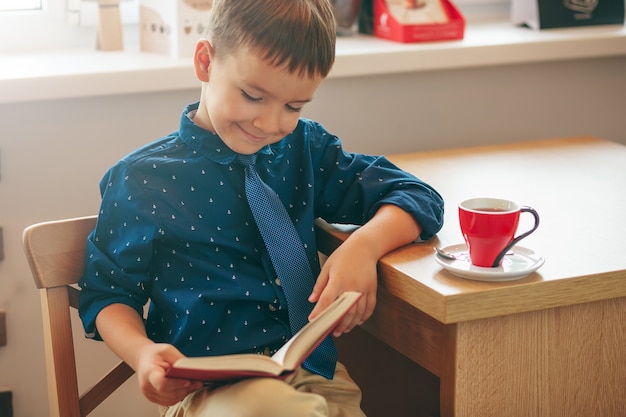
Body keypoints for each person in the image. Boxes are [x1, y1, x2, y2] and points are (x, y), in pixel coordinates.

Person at [78, 0, 444, 416]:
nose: (271, 124)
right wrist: (142, 354)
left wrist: (363, 247)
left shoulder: (305, 149)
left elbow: (417, 196)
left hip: (317, 378)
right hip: (211, 394)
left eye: (294, 107)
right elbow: (107, 294)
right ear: (205, 62)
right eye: (253, 96)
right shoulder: (142, 180)